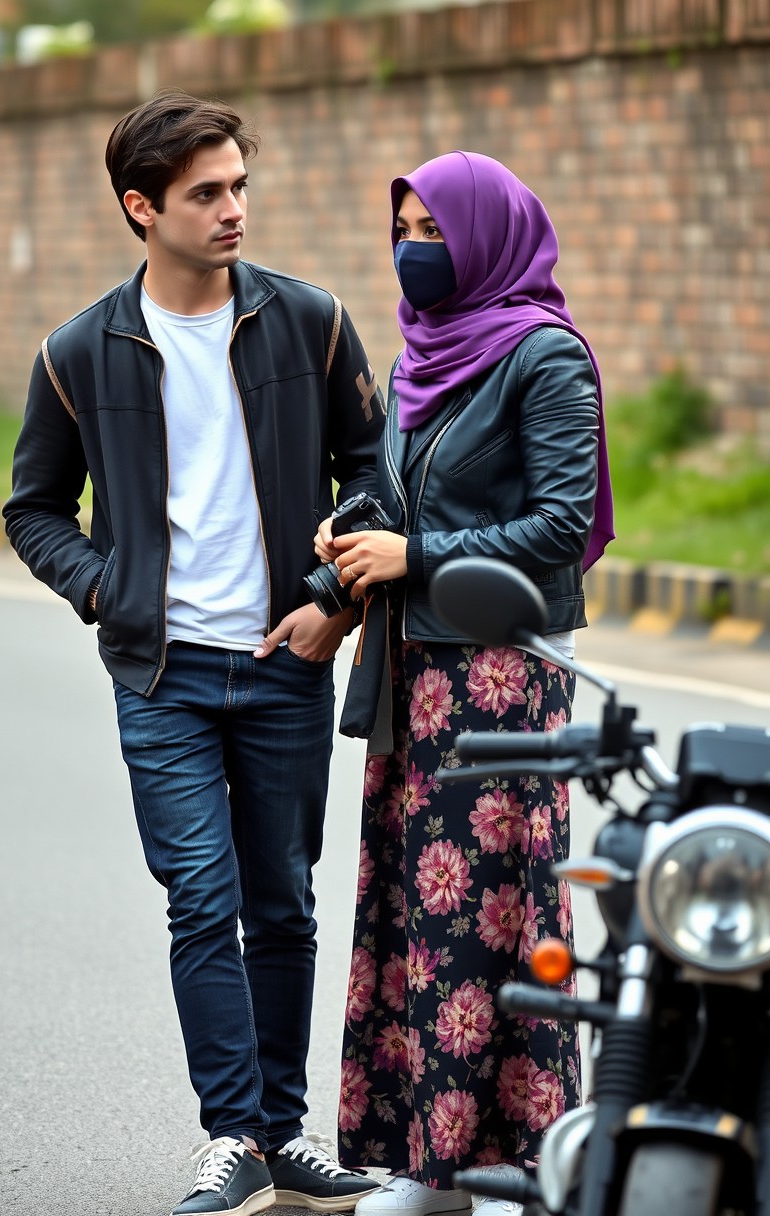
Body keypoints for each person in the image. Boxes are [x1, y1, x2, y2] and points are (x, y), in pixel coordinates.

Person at [3, 89, 386, 1216]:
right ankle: (233, 1133)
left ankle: (282, 1132)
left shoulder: (309, 320)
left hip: (284, 659)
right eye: (205, 193)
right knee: (199, 893)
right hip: (162, 673)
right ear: (142, 208)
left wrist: (333, 600)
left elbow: (372, 469)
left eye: (239, 186)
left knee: (281, 899)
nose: (233, 210)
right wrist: (107, 592)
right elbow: (33, 508)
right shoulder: (79, 350)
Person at [314, 151, 614, 1216]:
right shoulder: (412, 363)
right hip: (411, 673)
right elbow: (387, 506)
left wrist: (417, 555)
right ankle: (425, 1162)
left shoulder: (544, 356)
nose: (414, 250)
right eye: (403, 227)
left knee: (496, 914)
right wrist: (337, 563)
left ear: (488, 235)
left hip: (502, 674)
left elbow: (559, 532)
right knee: (411, 920)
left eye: (436, 231)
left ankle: (516, 1168)